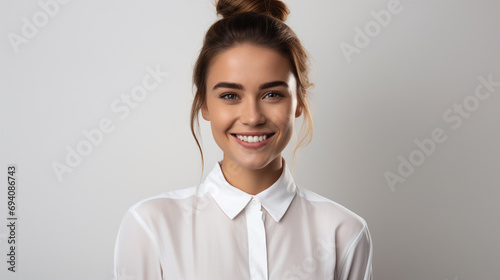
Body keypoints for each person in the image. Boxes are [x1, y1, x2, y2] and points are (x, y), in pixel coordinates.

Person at [113, 0, 373, 279]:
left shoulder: (344, 233)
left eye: (272, 94)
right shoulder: (151, 226)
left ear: (299, 102)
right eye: (230, 96)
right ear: (204, 104)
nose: (252, 117)